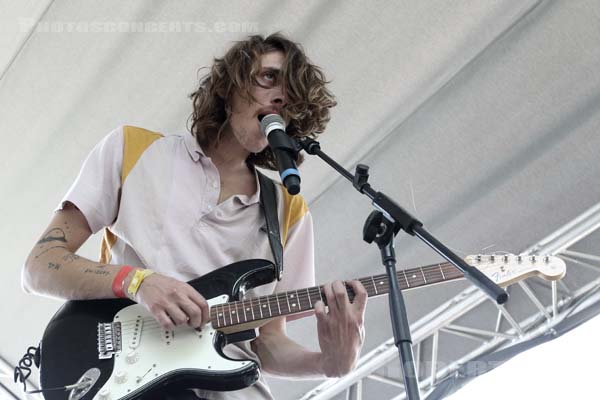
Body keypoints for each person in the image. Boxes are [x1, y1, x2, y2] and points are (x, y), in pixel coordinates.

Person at [22, 33, 367, 400]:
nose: (281, 96)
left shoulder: (289, 211)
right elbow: (41, 266)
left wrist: (330, 363)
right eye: (268, 77)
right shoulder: (133, 149)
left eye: (291, 93)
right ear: (230, 84)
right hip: (130, 382)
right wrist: (140, 282)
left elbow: (267, 344)